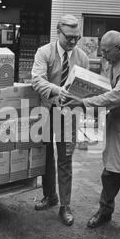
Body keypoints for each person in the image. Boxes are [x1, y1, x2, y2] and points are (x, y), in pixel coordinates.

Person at [64, 30, 120, 238]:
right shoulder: (111, 61)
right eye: (102, 51)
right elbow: (104, 88)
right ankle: (105, 211)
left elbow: (117, 95)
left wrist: (83, 102)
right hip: (118, 121)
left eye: (106, 51)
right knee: (110, 172)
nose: (102, 55)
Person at [31, 14, 89, 226]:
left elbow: (85, 84)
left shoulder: (82, 57)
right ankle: (50, 196)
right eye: (69, 37)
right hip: (47, 111)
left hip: (69, 115)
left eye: (77, 37)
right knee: (46, 156)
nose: (73, 42)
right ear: (58, 32)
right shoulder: (44, 52)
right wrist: (58, 91)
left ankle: (65, 205)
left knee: (65, 159)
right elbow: (37, 80)